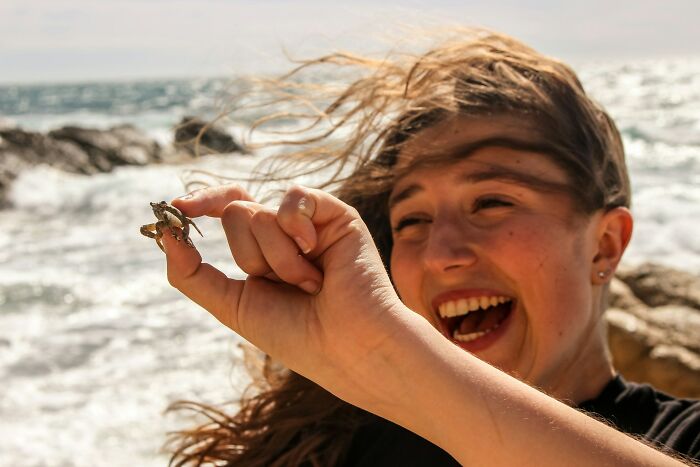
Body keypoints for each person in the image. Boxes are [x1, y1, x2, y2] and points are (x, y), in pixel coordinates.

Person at [160, 30, 700, 466]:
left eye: (491, 202)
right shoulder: (347, 450)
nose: (441, 253)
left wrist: (389, 358)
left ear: (605, 246)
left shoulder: (684, 438)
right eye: (412, 219)